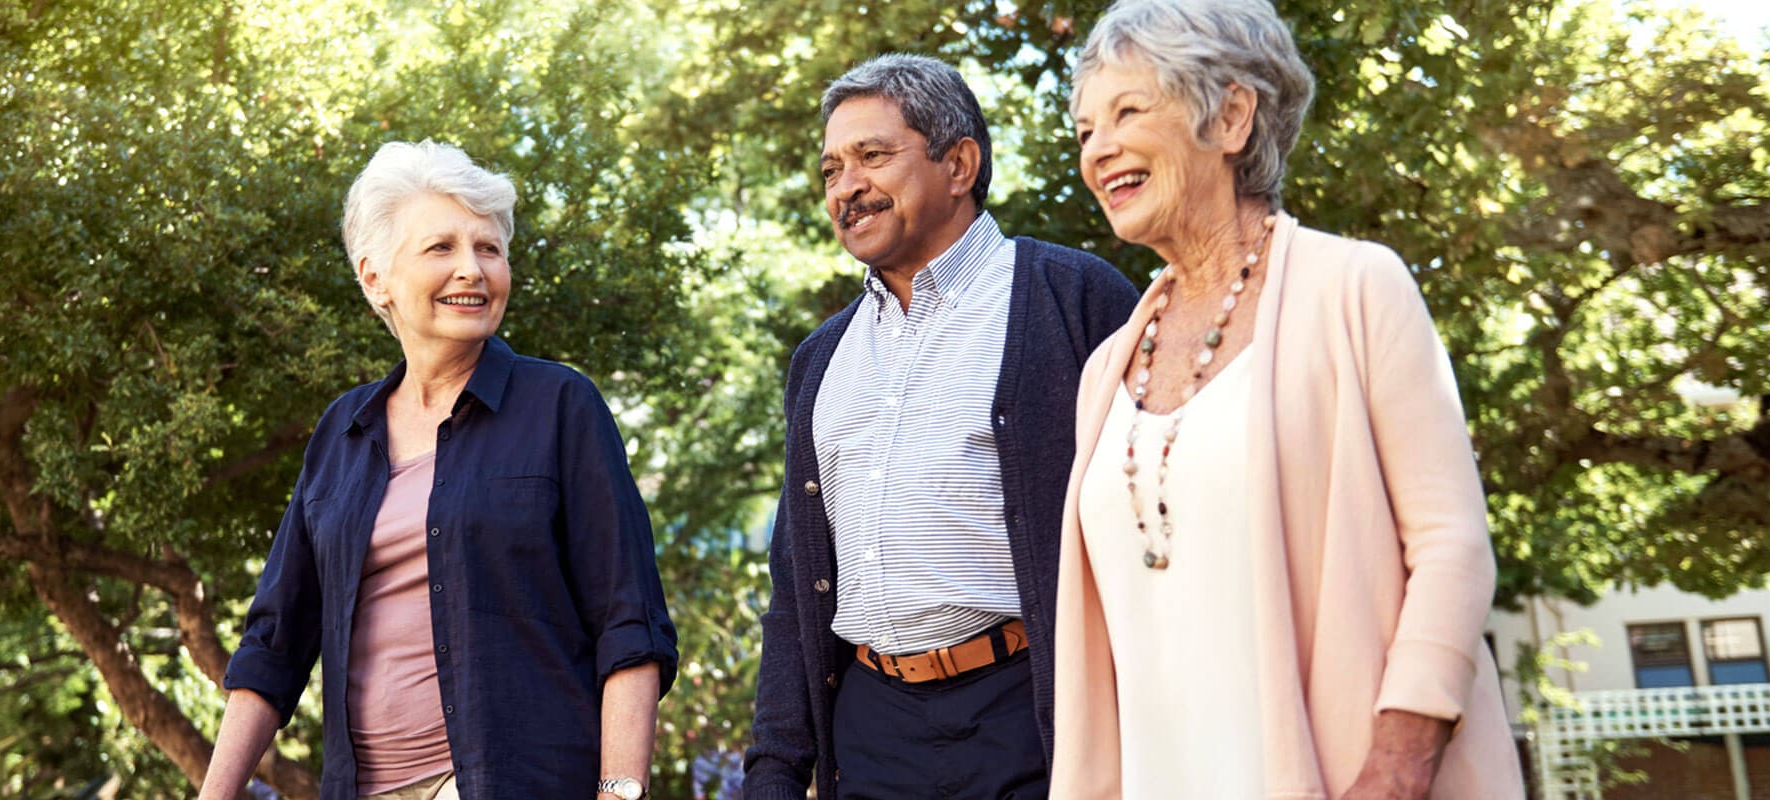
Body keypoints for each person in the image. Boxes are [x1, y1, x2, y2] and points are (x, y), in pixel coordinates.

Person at [1051, 1, 1526, 798]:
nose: (1099, 148)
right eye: (1086, 128)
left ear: (1232, 116)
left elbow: (1451, 546)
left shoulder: (1357, 288)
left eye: (1128, 111)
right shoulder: (1106, 368)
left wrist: (1397, 768)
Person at [197, 140, 677, 800]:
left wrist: (619, 793)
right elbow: (274, 644)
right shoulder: (343, 431)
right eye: (441, 248)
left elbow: (630, 624)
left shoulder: (560, 406)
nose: (472, 270)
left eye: (489, 249)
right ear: (375, 278)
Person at [744, 54, 1139, 799]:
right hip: (871, 729)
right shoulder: (820, 359)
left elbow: (1153, 535)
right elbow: (795, 589)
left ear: (959, 164)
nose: (846, 188)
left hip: (1030, 714)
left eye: (872, 156)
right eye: (831, 169)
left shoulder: (1077, 301)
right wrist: (773, 769)